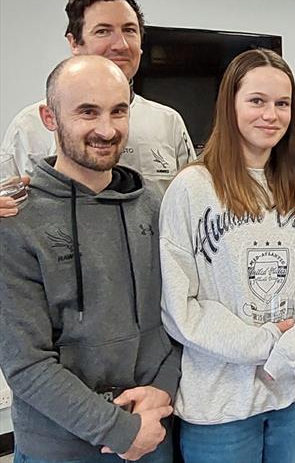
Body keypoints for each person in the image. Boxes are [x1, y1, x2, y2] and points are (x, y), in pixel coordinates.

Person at [158, 48, 295, 462]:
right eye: (256, 101)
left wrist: (290, 351)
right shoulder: (192, 189)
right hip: (221, 405)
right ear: (231, 104)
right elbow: (178, 306)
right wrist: (266, 344)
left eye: (282, 104)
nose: (271, 115)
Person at [0, 55, 179, 462]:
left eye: (119, 111)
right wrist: (116, 429)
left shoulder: (155, 203)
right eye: (87, 112)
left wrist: (161, 394)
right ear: (49, 117)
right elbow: (25, 363)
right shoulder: (15, 219)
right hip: (60, 446)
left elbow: (176, 317)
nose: (107, 128)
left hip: (152, 430)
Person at [1, 0, 195, 194]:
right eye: (103, 31)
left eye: (130, 30)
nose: (121, 44)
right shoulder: (29, 127)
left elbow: (189, 203)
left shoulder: (168, 123)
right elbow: (11, 206)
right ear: (74, 42)